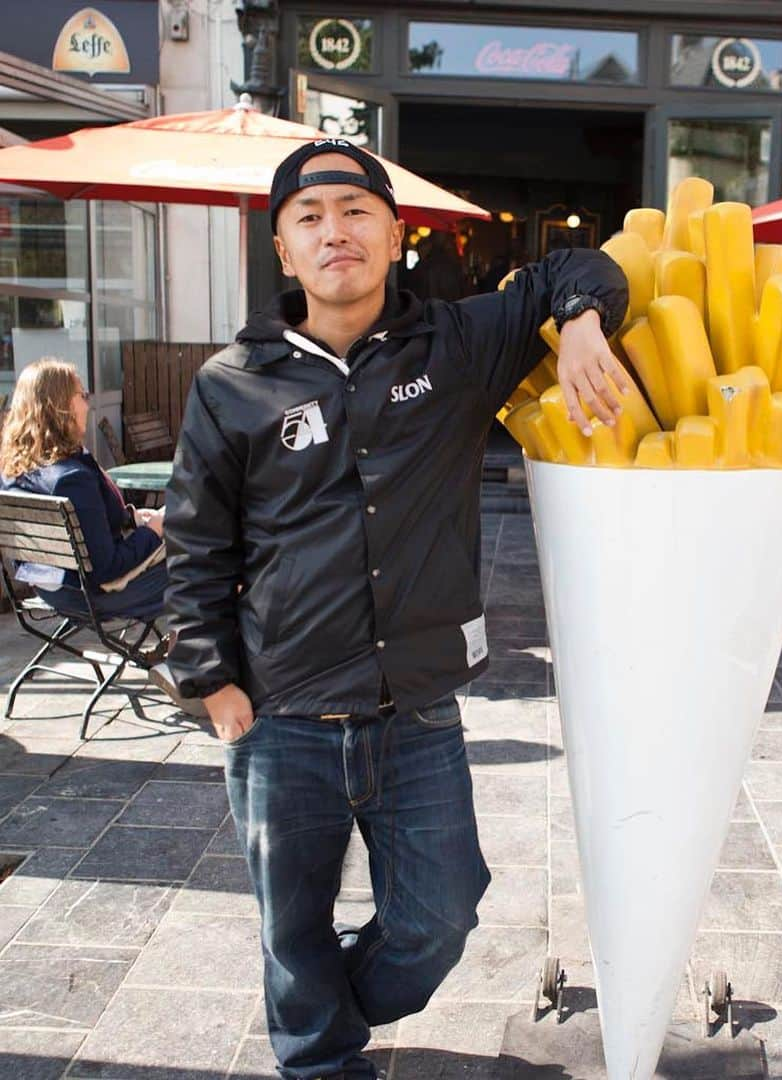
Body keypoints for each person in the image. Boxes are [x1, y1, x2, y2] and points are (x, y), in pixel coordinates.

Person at [163, 138, 629, 1080]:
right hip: (282, 713)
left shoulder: (456, 347)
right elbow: (196, 543)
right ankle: (323, 1061)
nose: (337, 231)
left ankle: (331, 1010)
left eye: (357, 211)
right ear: (285, 252)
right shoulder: (231, 384)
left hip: (417, 711)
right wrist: (205, 677)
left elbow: (575, 266)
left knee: (440, 918)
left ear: (394, 233)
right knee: (291, 926)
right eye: (312, 218)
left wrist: (581, 321)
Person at [0, 358, 166, 622]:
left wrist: (132, 518)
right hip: (92, 597)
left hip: (49, 590)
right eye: (82, 394)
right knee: (204, 570)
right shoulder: (72, 479)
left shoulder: (13, 473)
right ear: (61, 406)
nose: (88, 402)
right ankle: (190, 660)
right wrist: (152, 531)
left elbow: (89, 526)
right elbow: (107, 569)